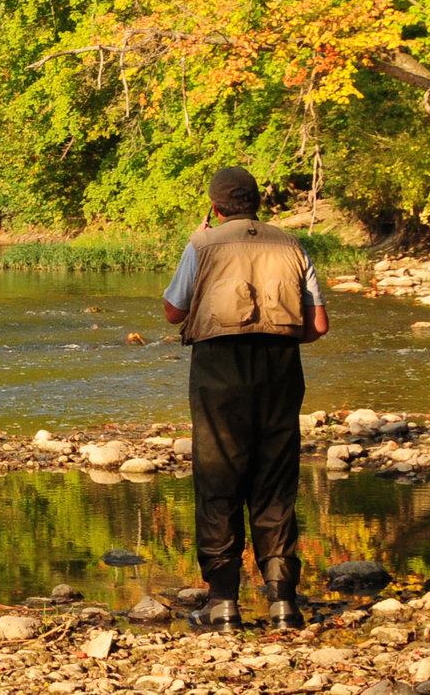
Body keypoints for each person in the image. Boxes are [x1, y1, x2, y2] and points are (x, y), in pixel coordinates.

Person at [161, 166, 328, 629]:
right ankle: (282, 603)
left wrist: (199, 243)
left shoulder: (202, 244)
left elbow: (174, 312)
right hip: (280, 369)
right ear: (259, 203)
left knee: (219, 479)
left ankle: (223, 601)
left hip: (219, 369)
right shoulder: (292, 244)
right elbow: (317, 327)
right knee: (276, 480)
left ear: (215, 207)